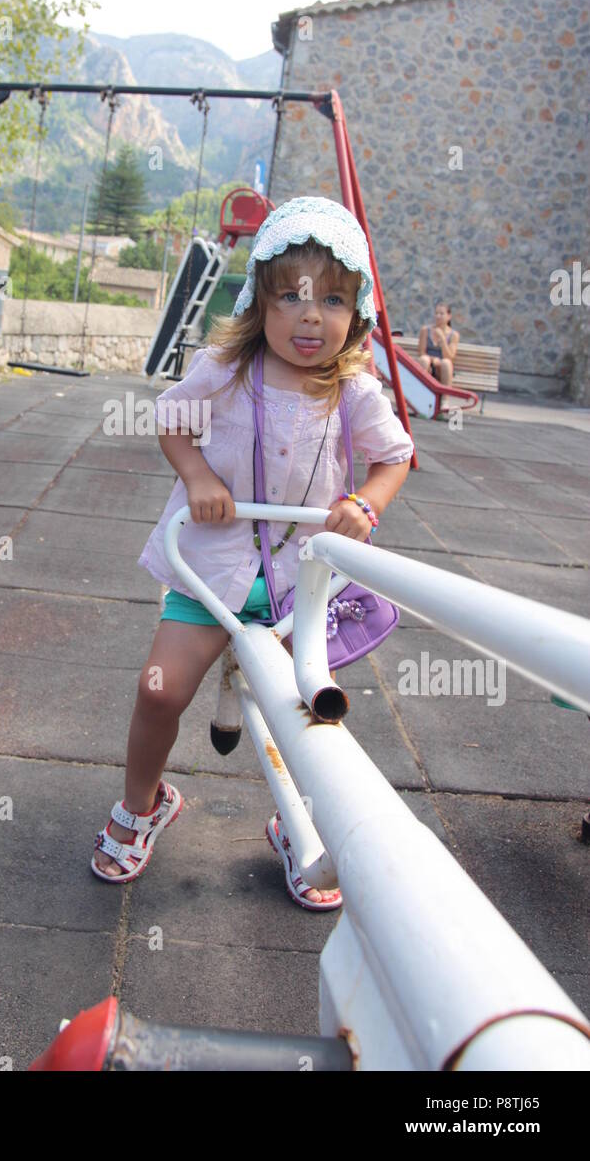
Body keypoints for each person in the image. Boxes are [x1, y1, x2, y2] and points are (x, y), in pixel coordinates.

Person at [91, 196, 414, 908]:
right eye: (291, 296)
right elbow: (172, 420)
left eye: (332, 299)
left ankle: (298, 823)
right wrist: (199, 475)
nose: (310, 316)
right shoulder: (226, 370)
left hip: (300, 580)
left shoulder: (352, 389)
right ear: (260, 301)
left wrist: (365, 504)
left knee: (312, 711)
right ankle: (142, 804)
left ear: (355, 314)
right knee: (159, 688)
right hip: (213, 569)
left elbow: (395, 458)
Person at [417, 303, 460, 386]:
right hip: (428, 364)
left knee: (446, 363)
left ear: (449, 316)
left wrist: (443, 339)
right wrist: (433, 360)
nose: (438, 316)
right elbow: (421, 352)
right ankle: (420, 391)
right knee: (424, 359)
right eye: (436, 313)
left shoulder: (454, 335)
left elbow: (450, 357)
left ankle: (445, 396)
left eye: (441, 314)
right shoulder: (425, 330)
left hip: (442, 368)